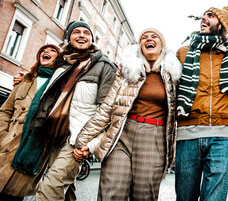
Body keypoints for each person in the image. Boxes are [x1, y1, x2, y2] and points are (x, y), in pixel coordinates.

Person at [11, 21, 117, 201]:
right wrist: (25, 79)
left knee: (49, 188)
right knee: (66, 191)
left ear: (92, 39)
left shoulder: (105, 66)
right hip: (54, 135)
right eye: (77, 32)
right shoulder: (63, 63)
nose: (82, 35)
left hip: (78, 139)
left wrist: (89, 145)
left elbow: (107, 112)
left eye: (86, 32)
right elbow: (43, 79)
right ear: (69, 37)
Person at [73, 28, 181, 200]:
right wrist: (83, 140)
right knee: (110, 192)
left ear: (163, 46)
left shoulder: (173, 75)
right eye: (144, 37)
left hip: (153, 137)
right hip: (121, 134)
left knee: (144, 195)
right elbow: (107, 107)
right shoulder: (127, 72)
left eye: (154, 37)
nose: (148, 39)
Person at [175, 6, 228, 201]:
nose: (203, 18)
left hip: (222, 135)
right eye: (203, 15)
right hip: (188, 132)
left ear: (222, 24)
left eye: (210, 15)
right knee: (185, 197)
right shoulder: (183, 53)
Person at [0, 44, 61, 201]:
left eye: (53, 51)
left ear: (59, 59)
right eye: (43, 50)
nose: (46, 52)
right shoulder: (25, 80)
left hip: (32, 152)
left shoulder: (60, 88)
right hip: (6, 147)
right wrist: (2, 135)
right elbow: (5, 110)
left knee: (12, 197)